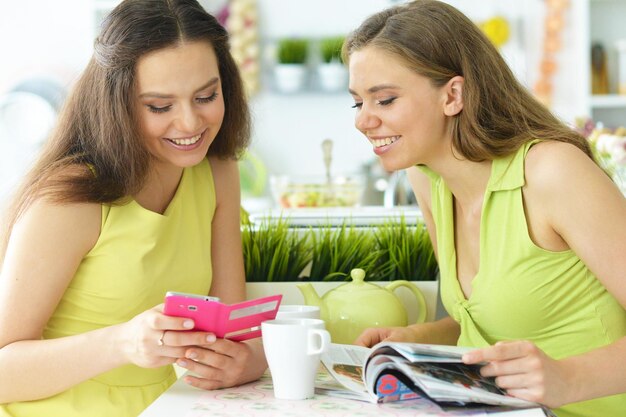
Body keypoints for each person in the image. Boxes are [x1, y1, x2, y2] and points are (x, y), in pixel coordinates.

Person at [344, 1, 626, 416]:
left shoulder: (551, 172)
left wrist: (568, 377)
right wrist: (417, 337)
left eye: (383, 100)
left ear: (453, 95)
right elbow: (498, 319)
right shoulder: (427, 180)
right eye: (357, 103)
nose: (362, 121)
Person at [0, 1, 267, 416]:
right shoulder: (70, 196)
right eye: (159, 106)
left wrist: (246, 362)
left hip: (166, 407)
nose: (190, 123)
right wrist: (123, 342)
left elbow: (233, 332)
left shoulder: (216, 172)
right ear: (117, 102)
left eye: (206, 96)